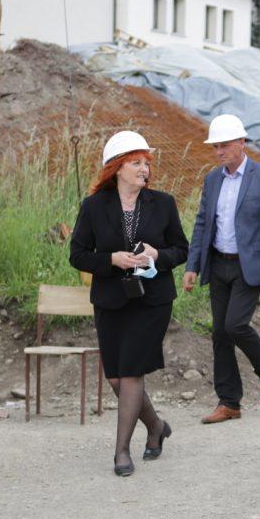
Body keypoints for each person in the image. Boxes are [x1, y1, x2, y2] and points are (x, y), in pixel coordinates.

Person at [69, 131, 188, 476]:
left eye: (146, 163)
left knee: (132, 371)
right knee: (116, 379)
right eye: (136, 163)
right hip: (110, 300)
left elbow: (182, 249)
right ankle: (156, 426)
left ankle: (121, 451)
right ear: (117, 168)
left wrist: (157, 255)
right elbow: (77, 255)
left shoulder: (163, 203)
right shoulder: (94, 207)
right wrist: (112, 259)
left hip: (152, 301)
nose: (144, 169)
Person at [183, 113, 260, 423]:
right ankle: (229, 402)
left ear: (242, 143)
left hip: (248, 265)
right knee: (220, 333)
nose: (219, 152)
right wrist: (192, 265)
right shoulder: (213, 179)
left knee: (235, 325)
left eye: (225, 145)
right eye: (216, 147)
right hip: (218, 263)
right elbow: (202, 223)